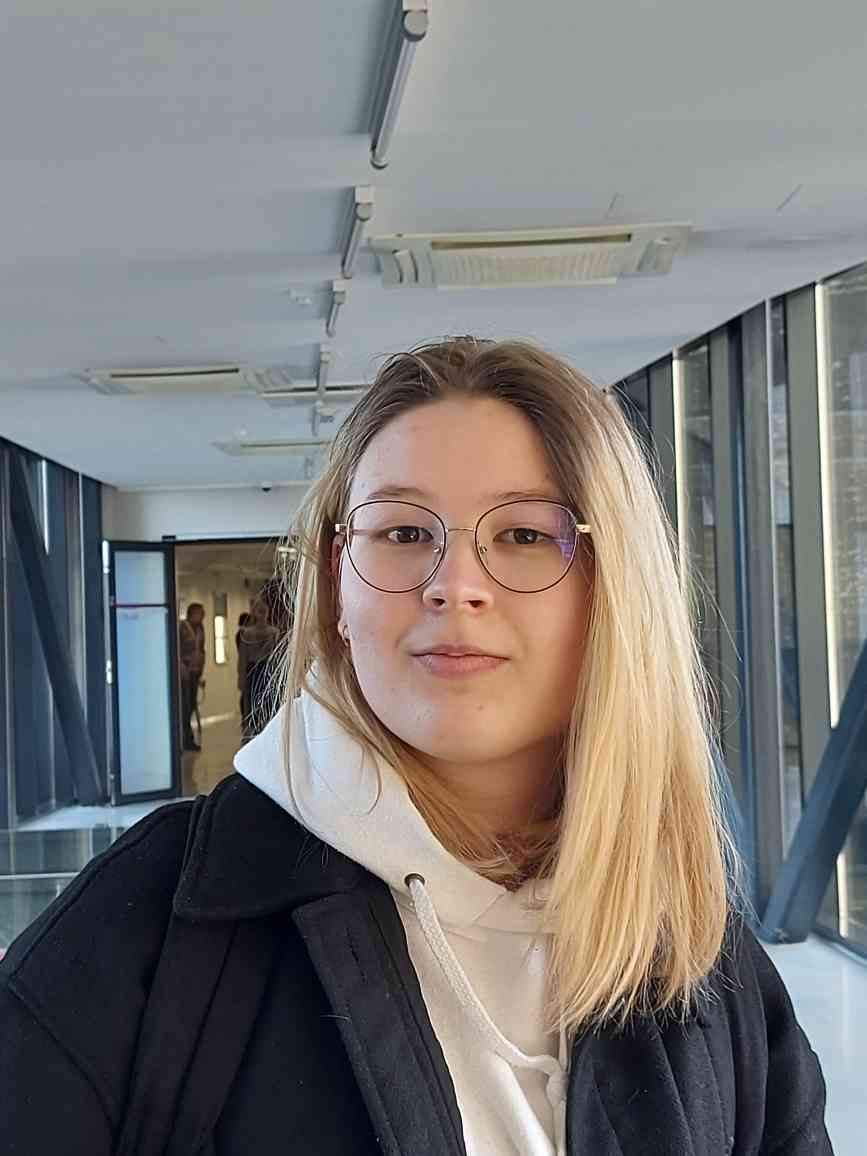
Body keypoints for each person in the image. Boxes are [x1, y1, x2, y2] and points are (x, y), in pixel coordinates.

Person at [0, 338, 832, 1154]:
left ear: (614, 588)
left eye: (523, 535)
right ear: (337, 583)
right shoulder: (151, 917)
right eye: (402, 533)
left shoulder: (696, 951)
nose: (453, 585)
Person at [237, 595, 279, 737]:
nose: (262, 614)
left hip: (268, 670)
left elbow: (276, 655)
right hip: (253, 670)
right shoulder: (247, 634)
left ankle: (267, 726)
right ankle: (253, 726)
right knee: (252, 699)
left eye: (264, 611)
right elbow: (243, 656)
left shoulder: (274, 632)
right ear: (255, 613)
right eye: (259, 611)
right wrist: (241, 676)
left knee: (268, 700)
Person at [178, 601, 206, 751]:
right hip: (184, 673)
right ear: (192, 613)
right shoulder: (182, 628)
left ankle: (187, 738)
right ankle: (185, 739)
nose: (202, 616)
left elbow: (201, 649)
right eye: (200, 613)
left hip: (195, 672)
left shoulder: (200, 629)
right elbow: (177, 649)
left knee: (191, 705)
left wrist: (201, 670)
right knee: (186, 706)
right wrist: (181, 667)